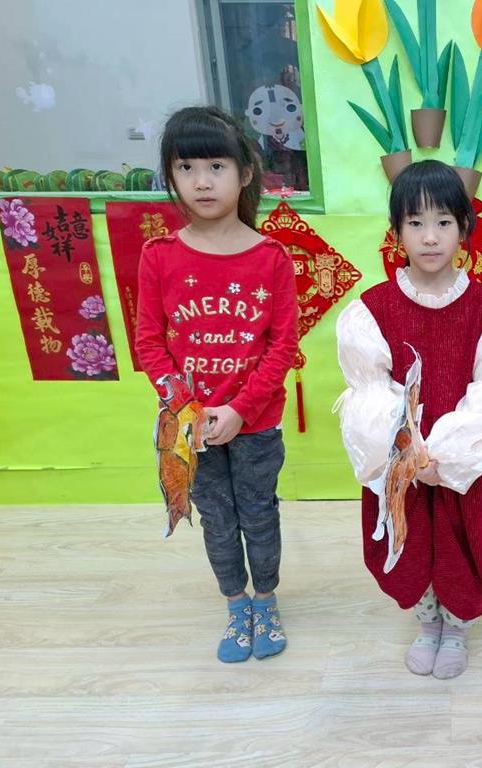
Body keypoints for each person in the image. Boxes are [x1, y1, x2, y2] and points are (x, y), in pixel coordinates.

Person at [335, 160, 482, 679]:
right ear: (396, 231)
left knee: (465, 539)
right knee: (410, 536)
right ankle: (427, 622)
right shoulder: (371, 310)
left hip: (466, 463)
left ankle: (457, 627)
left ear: (464, 228)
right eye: (415, 223)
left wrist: (447, 458)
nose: (430, 236)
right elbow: (369, 395)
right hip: (402, 461)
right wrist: (411, 456)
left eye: (443, 221)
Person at [135, 106, 298, 663]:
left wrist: (240, 409)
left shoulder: (271, 257)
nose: (202, 181)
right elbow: (148, 344)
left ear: (245, 173)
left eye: (216, 166)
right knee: (216, 519)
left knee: (259, 513)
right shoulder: (159, 256)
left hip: (256, 424)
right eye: (186, 168)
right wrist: (188, 409)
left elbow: (282, 348)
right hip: (191, 429)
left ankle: (266, 600)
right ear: (171, 176)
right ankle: (236, 605)